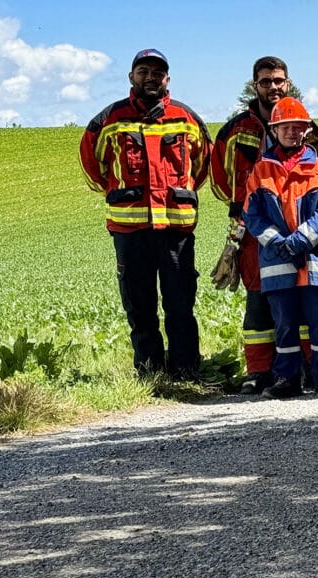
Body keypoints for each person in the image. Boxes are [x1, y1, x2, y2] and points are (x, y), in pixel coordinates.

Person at [79, 49, 211, 380]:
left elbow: (202, 165)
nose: (150, 76)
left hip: (175, 229)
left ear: (167, 79)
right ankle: (150, 374)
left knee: (180, 305)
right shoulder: (108, 120)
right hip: (130, 230)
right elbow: (92, 165)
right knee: (139, 306)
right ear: (131, 77)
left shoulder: (186, 118)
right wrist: (118, 191)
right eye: (143, 71)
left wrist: (181, 192)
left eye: (157, 71)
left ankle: (185, 372)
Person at [244, 97, 318, 399]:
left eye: (297, 127)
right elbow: (252, 214)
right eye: (285, 127)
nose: (291, 132)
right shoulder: (260, 170)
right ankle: (287, 380)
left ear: (306, 131)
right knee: (284, 325)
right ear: (274, 130)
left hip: (314, 260)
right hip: (278, 261)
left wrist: (301, 239)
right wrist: (278, 242)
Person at [210, 56, 293, 395]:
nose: (272, 87)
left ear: (286, 83)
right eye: (265, 81)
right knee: (257, 298)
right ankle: (258, 370)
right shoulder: (235, 131)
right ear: (254, 85)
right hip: (249, 229)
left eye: (278, 81)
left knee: (295, 295)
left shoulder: (300, 122)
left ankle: (299, 366)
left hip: (291, 223)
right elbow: (219, 181)